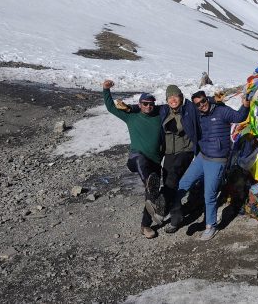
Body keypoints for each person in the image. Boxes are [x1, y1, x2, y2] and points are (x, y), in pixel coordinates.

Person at [165, 90, 250, 240]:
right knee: (182, 186)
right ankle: (176, 215)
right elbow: (183, 108)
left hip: (216, 161)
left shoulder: (222, 111)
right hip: (202, 157)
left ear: (207, 99)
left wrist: (245, 105)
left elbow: (239, 117)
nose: (201, 105)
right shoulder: (199, 115)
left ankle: (211, 226)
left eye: (203, 101)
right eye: (198, 104)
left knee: (209, 195)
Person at [102, 80, 162, 239]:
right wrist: (106, 90)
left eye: (151, 104)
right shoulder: (132, 116)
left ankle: (145, 226)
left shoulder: (159, 116)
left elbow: (174, 106)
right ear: (140, 104)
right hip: (136, 158)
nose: (148, 106)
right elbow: (110, 107)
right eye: (145, 103)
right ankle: (149, 182)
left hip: (155, 161)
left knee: (152, 195)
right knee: (145, 171)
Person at [159, 85, 200, 221]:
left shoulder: (189, 108)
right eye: (170, 97)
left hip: (185, 151)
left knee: (173, 177)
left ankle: (169, 212)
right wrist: (131, 108)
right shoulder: (165, 110)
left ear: (181, 97)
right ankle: (173, 211)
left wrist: (216, 100)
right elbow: (147, 108)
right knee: (168, 182)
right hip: (169, 152)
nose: (173, 99)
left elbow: (203, 102)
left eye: (175, 96)